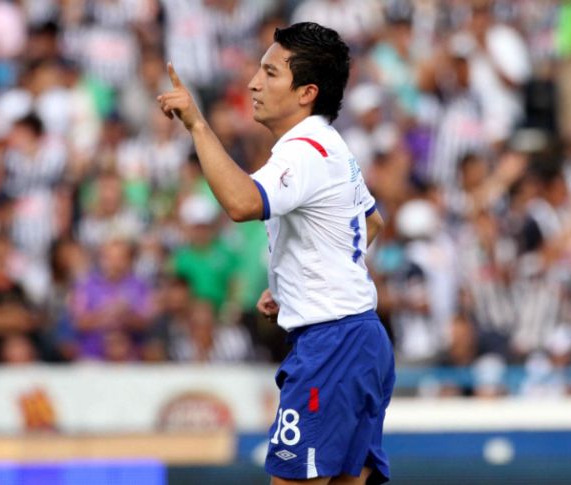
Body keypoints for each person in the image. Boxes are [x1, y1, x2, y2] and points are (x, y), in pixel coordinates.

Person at [158, 21, 394, 485]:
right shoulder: (331, 145)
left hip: (330, 345)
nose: (253, 83)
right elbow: (371, 222)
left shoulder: (304, 150)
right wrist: (294, 282)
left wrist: (197, 125)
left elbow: (243, 203)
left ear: (306, 92)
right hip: (362, 339)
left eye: (269, 73)